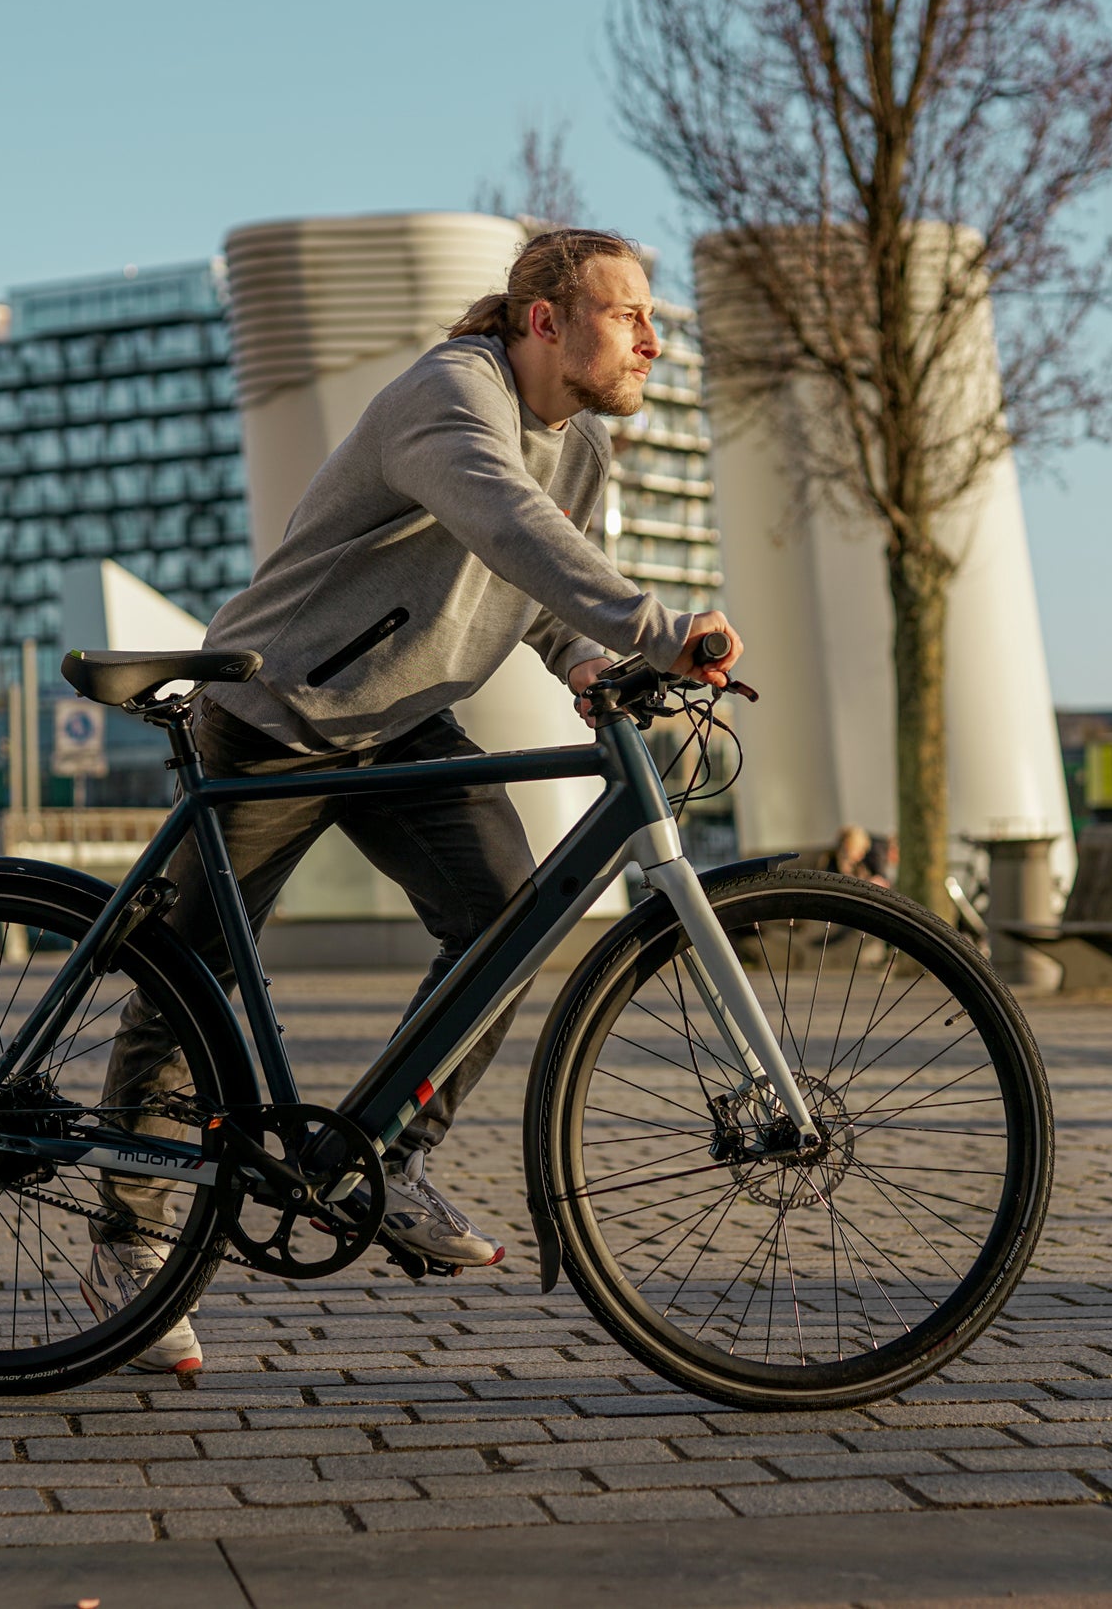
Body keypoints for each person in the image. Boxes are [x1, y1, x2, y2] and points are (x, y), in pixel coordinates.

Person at [79, 228, 742, 1374]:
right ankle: (129, 1250)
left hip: (396, 721)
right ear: (544, 321)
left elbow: (530, 587)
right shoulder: (450, 394)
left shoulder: (578, 448)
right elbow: (501, 522)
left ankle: (383, 1157)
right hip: (277, 711)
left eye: (652, 319)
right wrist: (652, 624)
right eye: (626, 314)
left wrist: (588, 661)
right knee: (185, 980)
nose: (649, 338)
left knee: (503, 916)